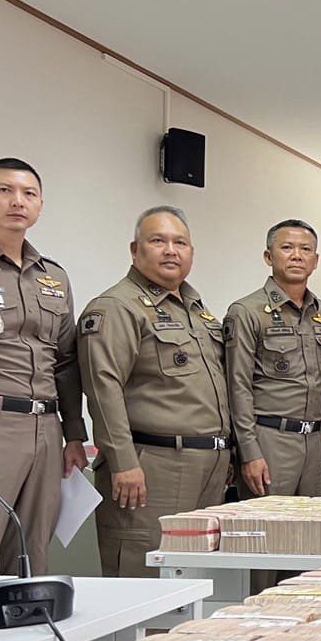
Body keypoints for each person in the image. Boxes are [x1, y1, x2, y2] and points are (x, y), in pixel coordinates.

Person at [79, 206, 231, 577]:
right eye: (158, 241)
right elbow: (103, 388)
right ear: (135, 250)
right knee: (144, 573)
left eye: (180, 243)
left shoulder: (197, 311)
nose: (171, 250)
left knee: (195, 580)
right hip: (153, 465)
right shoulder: (117, 307)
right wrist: (123, 462)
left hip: (208, 466)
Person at [0, 158, 88, 576]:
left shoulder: (54, 277)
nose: (17, 201)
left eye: (28, 194)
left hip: (46, 427)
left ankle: (28, 618)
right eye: (4, 191)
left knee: (33, 550)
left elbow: (66, 361)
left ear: (40, 205)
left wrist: (74, 433)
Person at [223, 220, 321, 500]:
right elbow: (237, 387)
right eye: (287, 248)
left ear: (315, 261)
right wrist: (249, 452)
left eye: (305, 249)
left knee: (310, 524)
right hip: (270, 439)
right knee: (266, 523)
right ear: (268, 257)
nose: (297, 256)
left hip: (313, 442)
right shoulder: (246, 311)